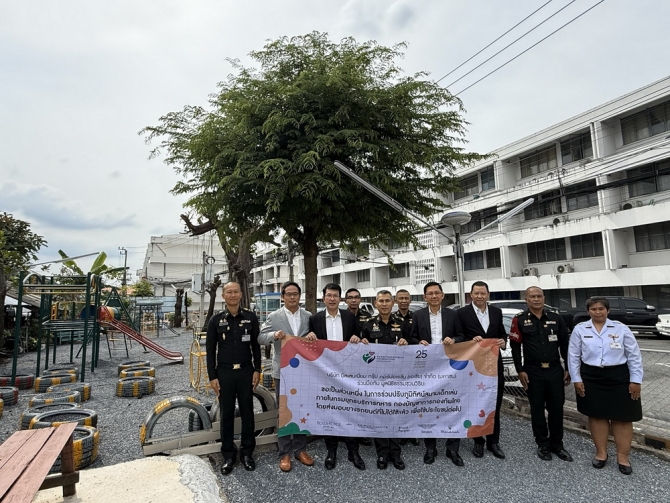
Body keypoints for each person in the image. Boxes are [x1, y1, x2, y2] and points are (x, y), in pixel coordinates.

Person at [567, 297, 643, 475]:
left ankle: (623, 456)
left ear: (607, 311)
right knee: (597, 416)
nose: (597, 312)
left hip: (619, 377)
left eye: (601, 309)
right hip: (591, 377)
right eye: (593, 309)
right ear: (588, 311)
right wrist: (576, 379)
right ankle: (601, 453)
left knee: (622, 418)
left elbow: (634, 355)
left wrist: (636, 380)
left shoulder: (621, 328)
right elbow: (573, 356)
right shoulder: (580, 329)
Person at [306, 283, 366, 471]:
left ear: (340, 299)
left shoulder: (349, 317)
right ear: (323, 297)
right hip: (324, 373)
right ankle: (331, 451)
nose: (332, 299)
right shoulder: (315, 319)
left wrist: (356, 337)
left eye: (335, 296)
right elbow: (309, 344)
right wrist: (309, 336)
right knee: (329, 411)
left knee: (350, 410)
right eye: (329, 295)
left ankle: (353, 451)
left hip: (347, 373)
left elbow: (358, 337)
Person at [509, 286, 573, 462]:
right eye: (532, 296)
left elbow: (565, 345)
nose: (536, 299)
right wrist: (520, 370)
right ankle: (543, 444)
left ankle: (557, 444)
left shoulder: (556, 318)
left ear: (544, 298)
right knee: (537, 409)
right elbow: (515, 347)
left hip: (554, 370)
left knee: (556, 409)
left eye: (539, 296)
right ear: (526, 299)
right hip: (533, 371)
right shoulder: (519, 320)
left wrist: (568, 368)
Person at [206, 281, 261, 475]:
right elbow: (210, 350)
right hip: (225, 373)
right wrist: (212, 376)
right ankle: (228, 455)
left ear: (240, 294)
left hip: (246, 371)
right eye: (229, 292)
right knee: (226, 414)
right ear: (223, 296)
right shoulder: (216, 320)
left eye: (235, 291)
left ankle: (247, 453)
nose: (232, 295)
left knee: (247, 412)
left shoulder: (250, 318)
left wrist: (257, 369)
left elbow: (256, 346)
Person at [258, 281, 314, 472]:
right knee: (284, 409)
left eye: (295, 294)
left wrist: (313, 335)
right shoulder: (274, 316)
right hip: (282, 370)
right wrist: (274, 334)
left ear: (299, 296)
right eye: (288, 294)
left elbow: (315, 338)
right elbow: (260, 337)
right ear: (282, 297)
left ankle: (300, 449)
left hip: (303, 370)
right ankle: (284, 452)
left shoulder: (308, 316)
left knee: (301, 408)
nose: (292, 297)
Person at [410, 281, 465, 466]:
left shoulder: (453, 314)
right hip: (427, 368)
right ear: (425, 297)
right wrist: (419, 343)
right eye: (430, 293)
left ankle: (453, 449)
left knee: (452, 405)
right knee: (429, 407)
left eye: (437, 293)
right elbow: (412, 338)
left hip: (449, 368)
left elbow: (462, 336)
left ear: (442, 295)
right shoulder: (418, 315)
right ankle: (430, 447)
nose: (434, 296)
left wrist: (454, 339)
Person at [360, 290, 411, 470]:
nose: (384, 304)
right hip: (376, 379)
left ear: (393, 303)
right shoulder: (368, 324)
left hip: (398, 378)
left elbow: (414, 345)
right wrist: (362, 344)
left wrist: (407, 343)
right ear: (375, 303)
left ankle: (396, 453)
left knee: (395, 414)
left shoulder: (403, 323)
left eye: (387, 301)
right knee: (379, 415)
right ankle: (382, 453)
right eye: (380, 301)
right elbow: (360, 351)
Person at [456, 281, 507, 459]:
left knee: (494, 403)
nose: (479, 296)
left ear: (488, 294)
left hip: (494, 365)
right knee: (475, 403)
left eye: (482, 293)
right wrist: (471, 341)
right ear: (470, 295)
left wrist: (503, 341)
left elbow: (502, 333)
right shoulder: (462, 313)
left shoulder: (496, 312)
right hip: (473, 367)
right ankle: (478, 441)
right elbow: (459, 337)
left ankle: (494, 441)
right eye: (476, 293)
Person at [344, 287, 374, 447]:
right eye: (350, 297)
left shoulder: (368, 317)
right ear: (345, 300)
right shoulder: (342, 316)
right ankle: (345, 431)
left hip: (363, 364)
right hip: (345, 363)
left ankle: (362, 432)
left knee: (362, 398)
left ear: (360, 299)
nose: (353, 300)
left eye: (356, 297)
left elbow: (372, 339)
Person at [394, 288, 419, 447]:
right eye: (400, 298)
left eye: (406, 298)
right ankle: (400, 431)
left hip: (413, 364)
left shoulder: (417, 317)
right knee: (398, 398)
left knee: (412, 398)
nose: (403, 301)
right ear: (396, 301)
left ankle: (412, 431)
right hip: (396, 365)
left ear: (410, 300)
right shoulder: (391, 318)